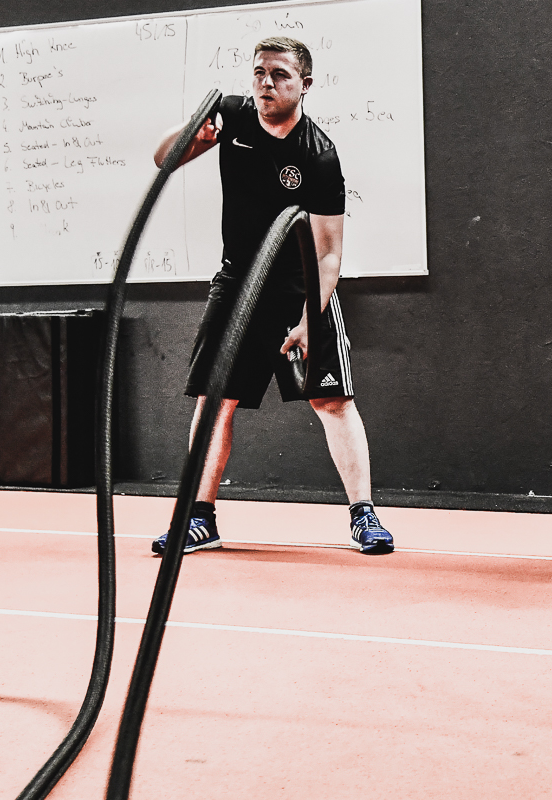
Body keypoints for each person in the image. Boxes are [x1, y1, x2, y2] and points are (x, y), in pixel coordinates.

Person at [149, 36, 392, 556]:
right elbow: (162, 159)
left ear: (304, 84)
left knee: (332, 400)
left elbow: (329, 254)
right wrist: (197, 128)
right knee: (214, 404)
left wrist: (310, 316)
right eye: (259, 72)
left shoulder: (319, 156)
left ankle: (364, 516)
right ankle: (199, 518)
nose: (266, 82)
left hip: (299, 288)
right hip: (238, 283)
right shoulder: (232, 119)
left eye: (279, 74)